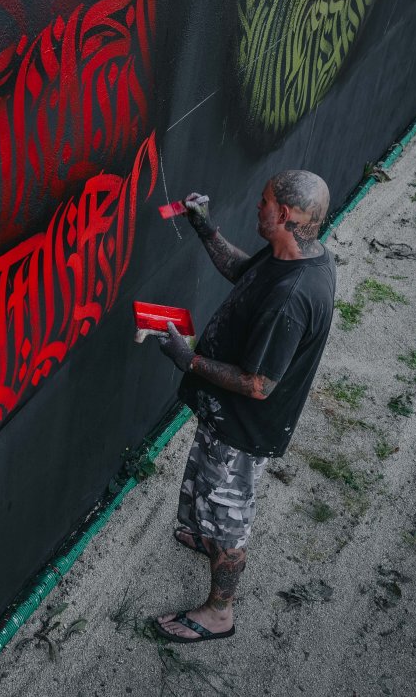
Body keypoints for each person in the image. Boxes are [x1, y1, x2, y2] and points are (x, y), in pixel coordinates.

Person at [148, 170, 337, 644]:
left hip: (242, 428)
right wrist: (205, 228)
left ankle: (219, 612)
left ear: (286, 215)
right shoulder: (294, 256)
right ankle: (201, 533)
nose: (258, 206)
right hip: (223, 418)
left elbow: (258, 385)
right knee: (204, 492)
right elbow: (242, 270)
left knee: (229, 517)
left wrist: (186, 358)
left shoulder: (292, 298)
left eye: (264, 201)